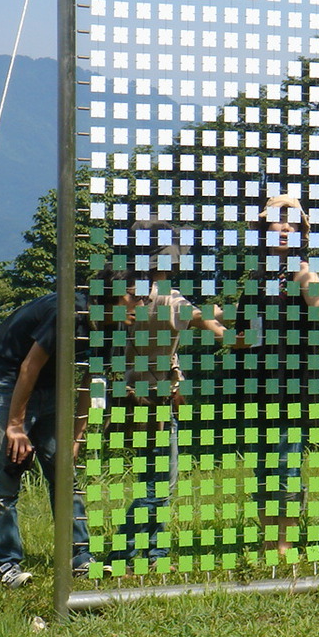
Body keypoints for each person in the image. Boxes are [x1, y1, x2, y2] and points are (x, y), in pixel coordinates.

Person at [230, 195, 319, 556]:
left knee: (286, 464)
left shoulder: (303, 273)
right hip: (257, 383)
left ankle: (284, 546)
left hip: (292, 383)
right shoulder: (255, 277)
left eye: (292, 222)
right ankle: (269, 543)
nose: (284, 228)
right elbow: (244, 335)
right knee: (262, 466)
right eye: (278, 221)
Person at [107, 221, 226, 570]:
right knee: (160, 484)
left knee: (153, 478)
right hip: (157, 402)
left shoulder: (131, 295)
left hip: (134, 397)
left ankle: (154, 555)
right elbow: (203, 318)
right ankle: (123, 554)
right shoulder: (166, 298)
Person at [0, 286, 108, 586]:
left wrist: (76, 438)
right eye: (135, 296)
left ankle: (79, 557)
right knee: (8, 473)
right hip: (9, 378)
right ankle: (4, 565)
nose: (141, 304)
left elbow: (93, 379)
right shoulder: (66, 313)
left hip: (52, 384)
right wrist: (15, 426)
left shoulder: (117, 325)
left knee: (64, 472)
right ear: (113, 297)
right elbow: (29, 366)